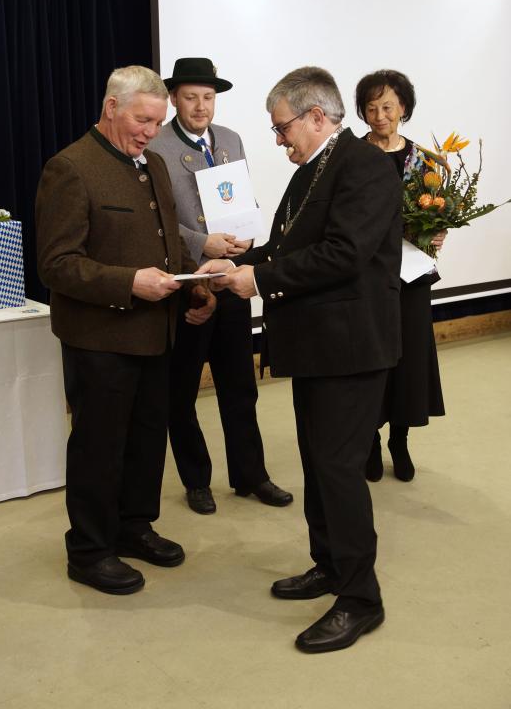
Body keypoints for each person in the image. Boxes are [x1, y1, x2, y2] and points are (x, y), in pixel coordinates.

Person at [199, 66, 402, 653]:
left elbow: (343, 254)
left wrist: (258, 280)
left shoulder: (364, 167)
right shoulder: (314, 168)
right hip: (318, 345)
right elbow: (290, 247)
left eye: (282, 127)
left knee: (338, 468)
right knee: (317, 461)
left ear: (316, 116)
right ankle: (330, 564)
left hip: (351, 346)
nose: (278, 139)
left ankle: (361, 598)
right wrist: (239, 263)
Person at [36, 65, 215, 595]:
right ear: (111, 107)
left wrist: (195, 283)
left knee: (145, 441)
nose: (151, 132)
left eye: (158, 122)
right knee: (99, 447)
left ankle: (134, 527)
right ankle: (90, 550)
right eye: (143, 120)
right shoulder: (70, 168)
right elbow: (56, 265)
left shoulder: (153, 164)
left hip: (156, 335)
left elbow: (167, 243)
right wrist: (129, 283)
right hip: (99, 340)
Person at [149, 57, 292, 515]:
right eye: (191, 97)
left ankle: (251, 475)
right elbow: (157, 218)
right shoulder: (156, 145)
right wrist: (200, 243)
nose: (201, 106)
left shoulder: (230, 139)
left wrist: (249, 235)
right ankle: (196, 480)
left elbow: (242, 199)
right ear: (174, 99)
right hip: (189, 282)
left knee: (240, 385)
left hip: (232, 278)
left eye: (208, 97)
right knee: (182, 390)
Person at [355, 69, 446, 482]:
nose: (379, 116)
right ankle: (370, 440)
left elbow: (437, 212)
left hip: (412, 278)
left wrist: (438, 231)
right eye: (371, 108)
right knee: (371, 358)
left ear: (403, 108)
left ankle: (400, 439)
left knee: (409, 359)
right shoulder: (353, 157)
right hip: (367, 277)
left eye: (387, 107)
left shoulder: (425, 161)